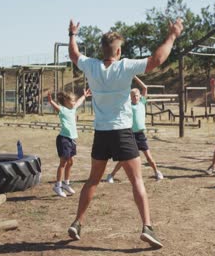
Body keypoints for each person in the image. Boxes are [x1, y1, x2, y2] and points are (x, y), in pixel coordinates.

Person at [66, 17, 183, 249]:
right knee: (137, 180)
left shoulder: (91, 66)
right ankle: (147, 227)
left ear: (103, 50)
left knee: (92, 180)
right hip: (122, 132)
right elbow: (157, 59)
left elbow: (73, 54)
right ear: (118, 51)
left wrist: (72, 34)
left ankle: (77, 222)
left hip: (101, 133)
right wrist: (172, 35)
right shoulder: (125, 66)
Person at [106, 77, 164, 183]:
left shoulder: (142, 102)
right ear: (130, 97)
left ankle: (156, 172)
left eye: (137, 95)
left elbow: (145, 87)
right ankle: (111, 175)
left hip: (140, 135)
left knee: (148, 156)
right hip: (130, 135)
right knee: (124, 159)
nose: (135, 98)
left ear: (140, 96)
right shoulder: (127, 105)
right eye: (133, 96)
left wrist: (134, 77)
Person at [48, 89, 91, 197]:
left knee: (70, 163)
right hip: (64, 139)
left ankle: (66, 183)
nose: (74, 102)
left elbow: (79, 102)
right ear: (66, 102)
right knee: (63, 163)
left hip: (72, 140)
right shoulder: (62, 110)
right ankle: (57, 186)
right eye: (72, 101)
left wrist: (84, 96)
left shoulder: (73, 109)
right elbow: (56, 107)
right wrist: (51, 101)